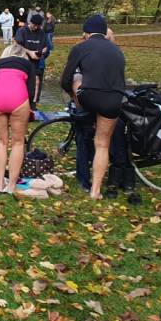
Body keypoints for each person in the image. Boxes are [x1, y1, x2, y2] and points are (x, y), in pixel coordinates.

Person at [60, 14, 127, 200]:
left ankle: (82, 112)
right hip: (114, 100)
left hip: (89, 97)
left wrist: (73, 96)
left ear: (86, 33)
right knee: (102, 144)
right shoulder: (117, 50)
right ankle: (95, 191)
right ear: (105, 32)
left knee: (76, 79)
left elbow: (66, 79)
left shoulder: (81, 47)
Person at [0, 43, 36, 193]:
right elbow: (31, 91)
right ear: (23, 55)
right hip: (18, 98)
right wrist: (29, 109)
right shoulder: (28, 65)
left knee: (1, 141)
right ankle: (12, 186)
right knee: (18, 142)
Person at [15, 13, 49, 104]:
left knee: (37, 81)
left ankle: (34, 102)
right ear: (30, 22)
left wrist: (41, 52)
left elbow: (46, 46)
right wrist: (29, 52)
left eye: (38, 26)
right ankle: (21, 101)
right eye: (34, 25)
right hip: (24, 60)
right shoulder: (22, 31)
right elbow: (17, 45)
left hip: (37, 61)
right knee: (23, 82)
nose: (36, 27)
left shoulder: (41, 33)